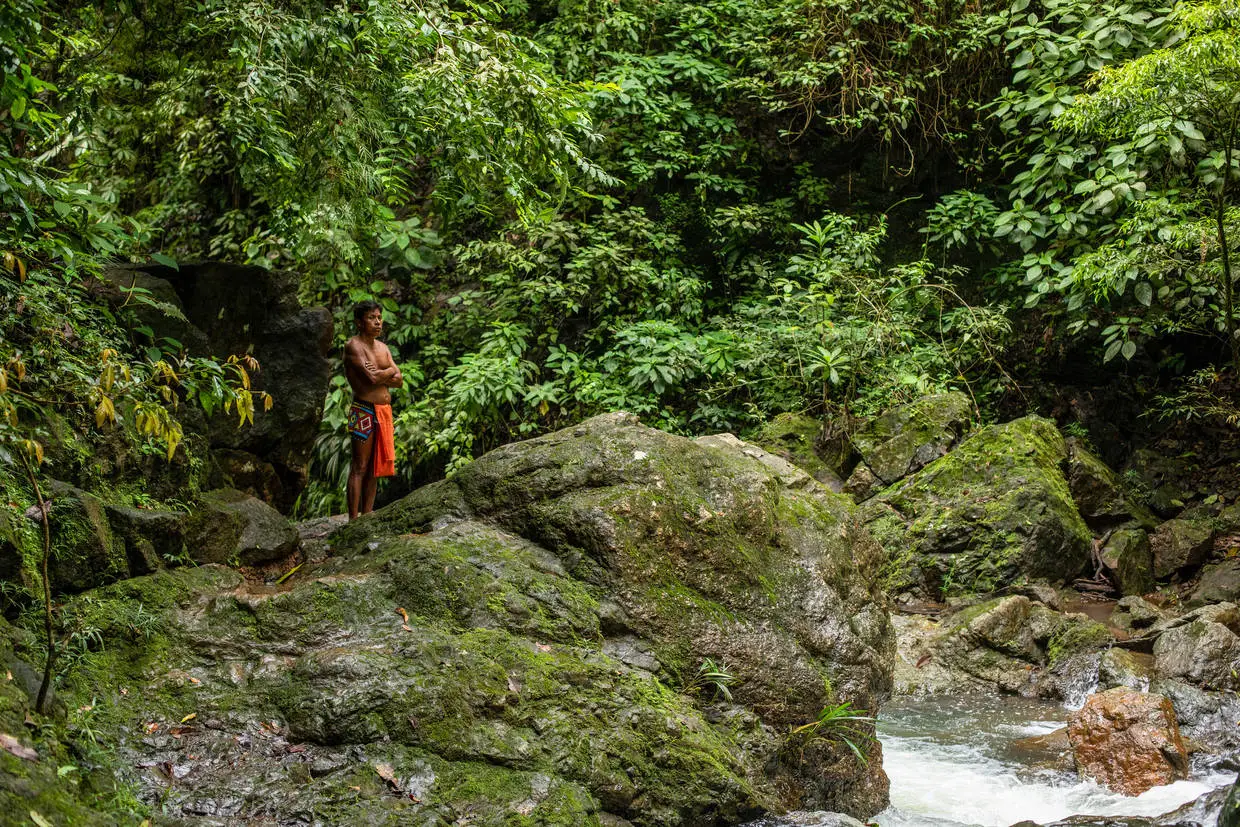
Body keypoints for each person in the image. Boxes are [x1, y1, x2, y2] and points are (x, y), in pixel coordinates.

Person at [344, 300, 402, 519]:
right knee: (360, 465)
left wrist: (382, 372)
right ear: (359, 322)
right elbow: (371, 378)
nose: (378, 322)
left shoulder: (383, 348)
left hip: (383, 412)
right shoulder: (353, 346)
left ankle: (367, 516)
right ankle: (353, 519)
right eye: (371, 318)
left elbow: (399, 380)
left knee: (375, 467)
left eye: (379, 317)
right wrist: (388, 371)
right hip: (363, 410)